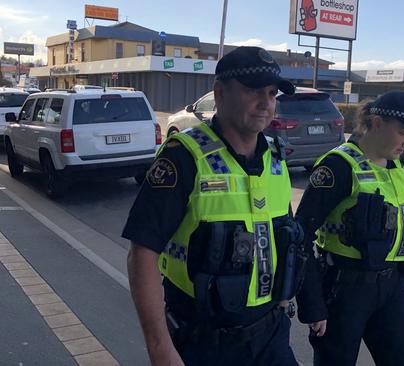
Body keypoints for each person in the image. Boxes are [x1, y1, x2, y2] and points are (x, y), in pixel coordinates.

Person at [123, 46, 303, 366]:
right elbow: (142, 253)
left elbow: (283, 232)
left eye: (272, 93)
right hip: (203, 343)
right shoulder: (183, 157)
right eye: (253, 91)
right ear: (219, 92)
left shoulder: (275, 156)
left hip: (270, 336)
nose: (266, 103)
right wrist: (160, 349)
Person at [296, 91, 404, 366]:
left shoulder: (401, 162)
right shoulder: (337, 166)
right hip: (344, 289)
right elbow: (300, 236)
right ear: (375, 123)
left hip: (391, 286)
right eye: (402, 132)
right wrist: (313, 304)